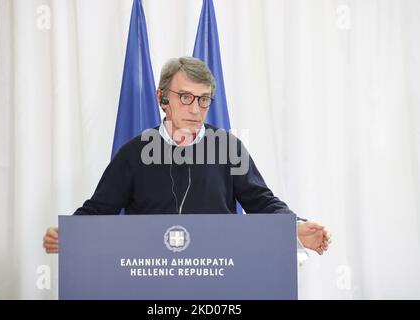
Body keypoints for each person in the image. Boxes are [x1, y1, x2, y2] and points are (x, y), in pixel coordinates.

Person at [43, 56, 331, 255]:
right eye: (185, 97)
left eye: (203, 99)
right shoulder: (133, 153)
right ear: (162, 98)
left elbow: (262, 203)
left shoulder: (228, 148)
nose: (195, 108)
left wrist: (295, 227)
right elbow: (99, 210)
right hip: (149, 275)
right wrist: (71, 234)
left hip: (217, 274)